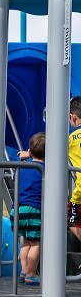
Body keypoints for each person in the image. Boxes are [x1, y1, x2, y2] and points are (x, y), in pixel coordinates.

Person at [13, 132, 45, 285]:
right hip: (33, 209)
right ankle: (32, 273)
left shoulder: (21, 168)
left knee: (26, 240)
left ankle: (24, 271)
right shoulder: (45, 170)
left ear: (30, 152)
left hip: (17, 210)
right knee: (37, 243)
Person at [68, 97, 81, 243]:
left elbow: (51, 152)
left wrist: (30, 153)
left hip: (80, 191)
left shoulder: (71, 138)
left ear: (73, 117)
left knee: (68, 219)